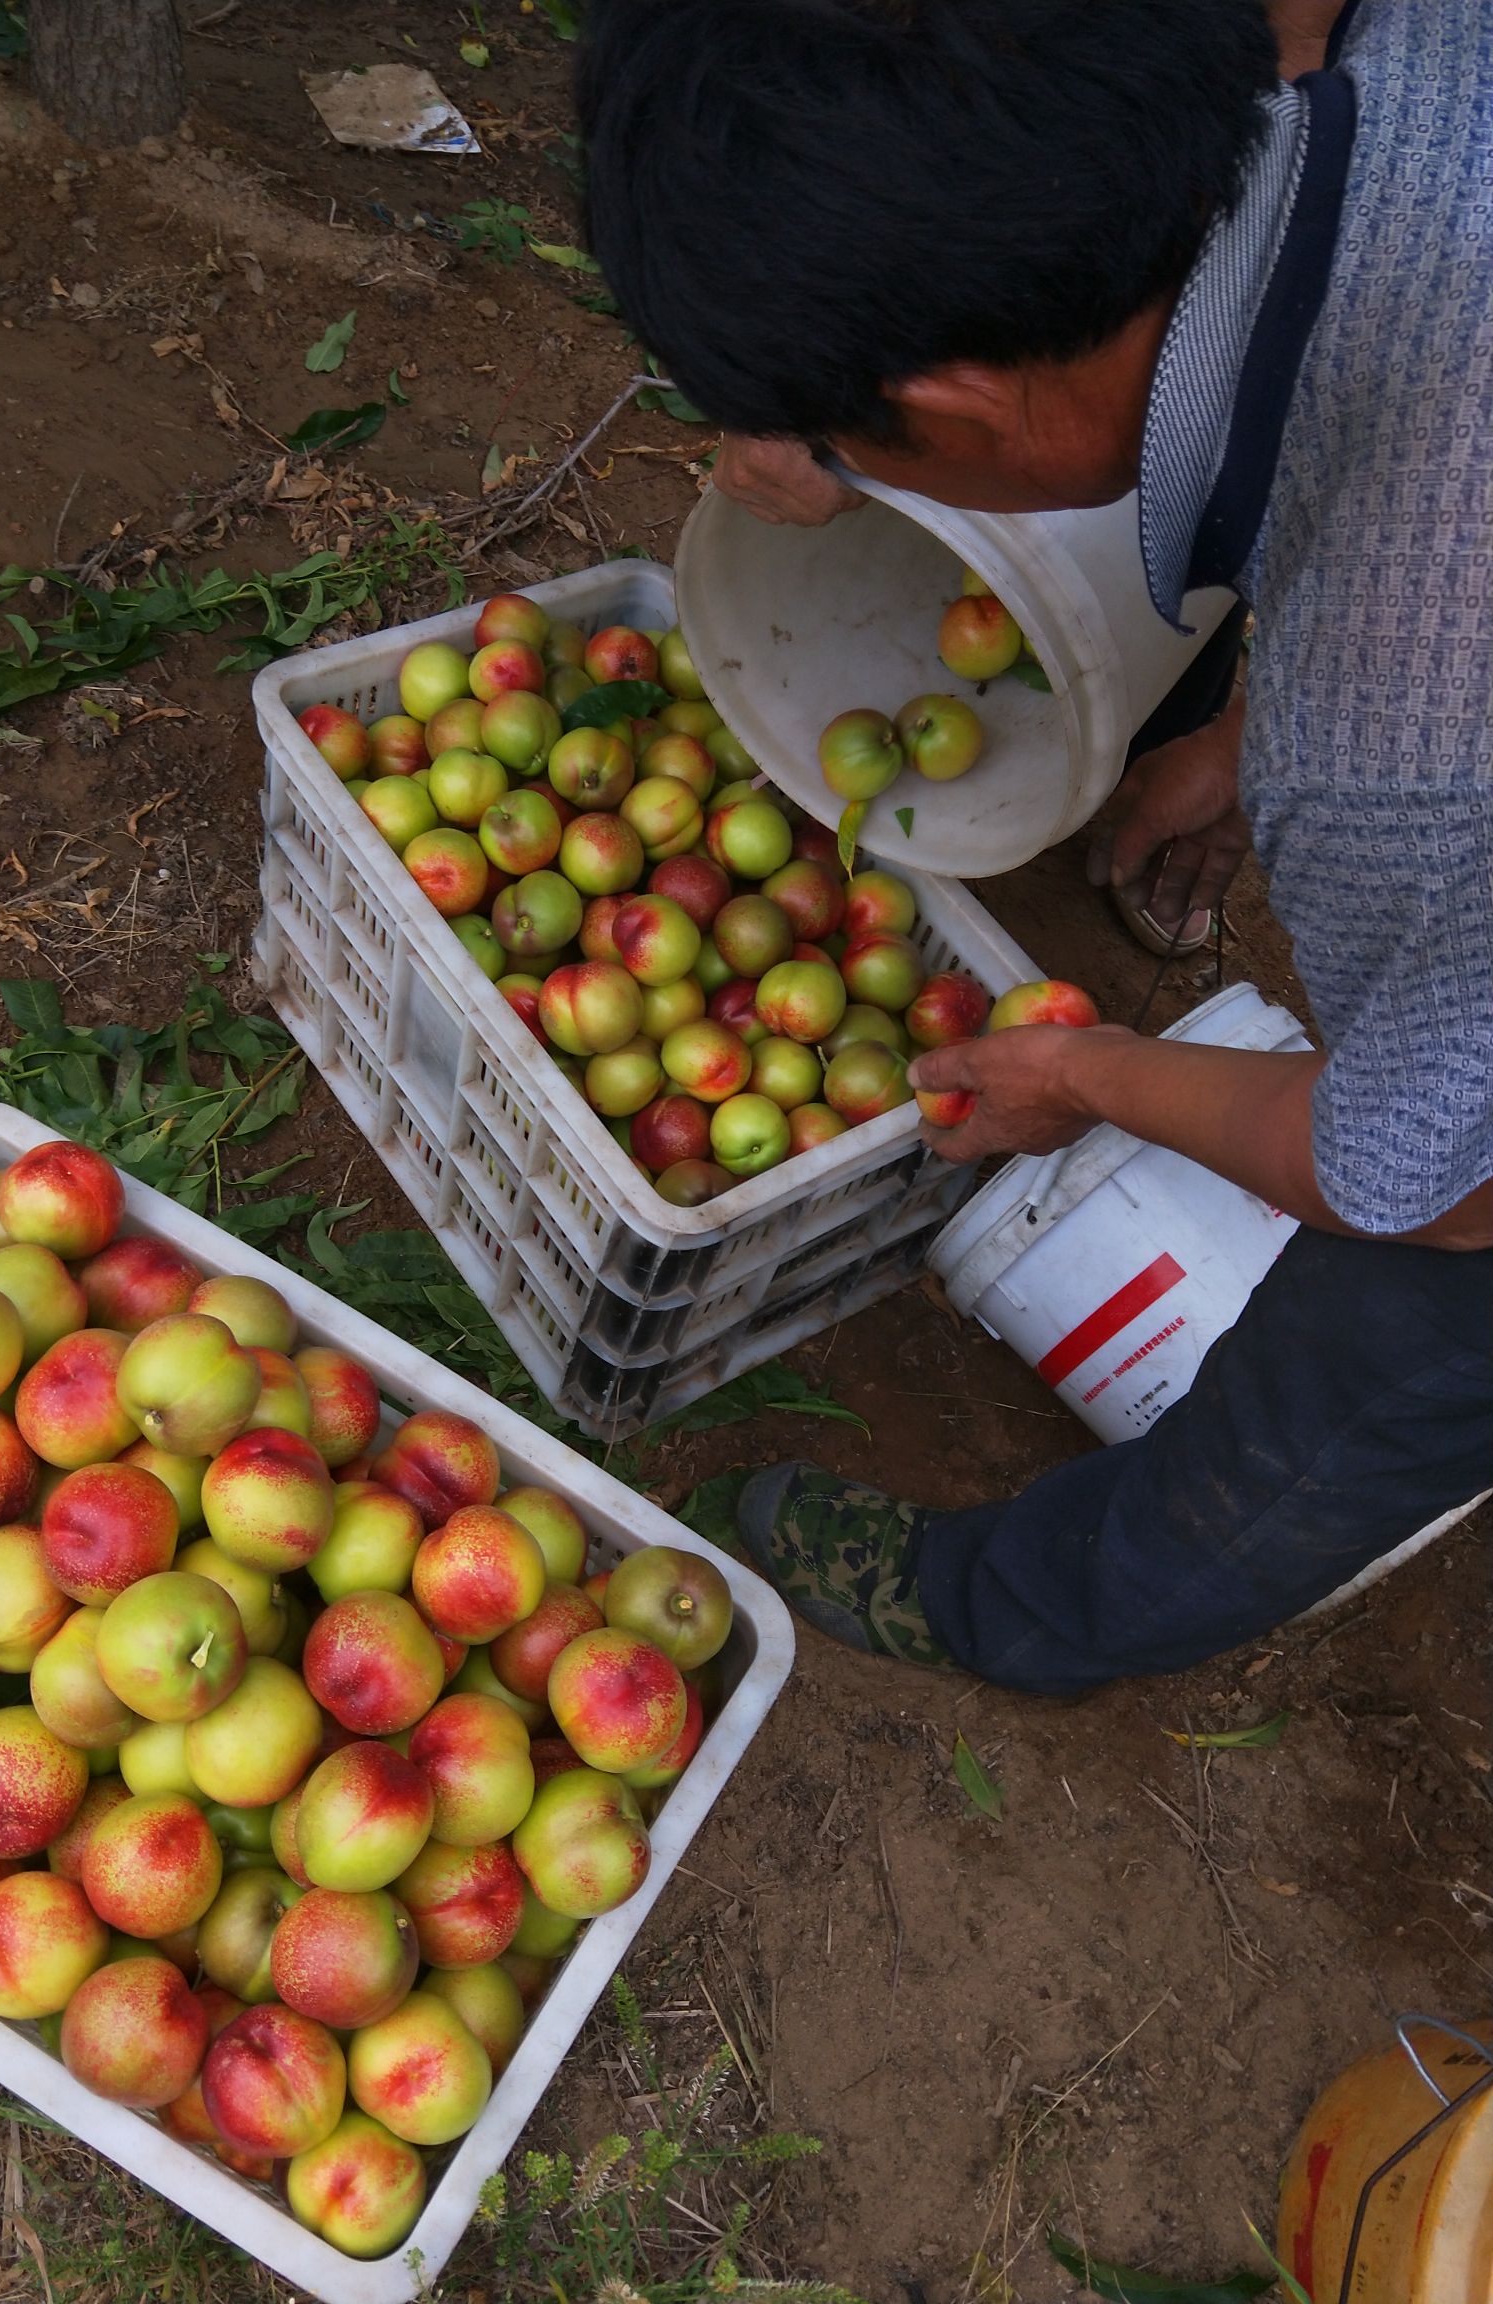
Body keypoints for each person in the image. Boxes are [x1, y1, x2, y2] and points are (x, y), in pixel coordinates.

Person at [577, 0, 1493, 1692]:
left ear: (958, 398)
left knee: (1376, 1369)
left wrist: (1082, 1082)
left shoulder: (1407, 759)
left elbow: (1432, 1188)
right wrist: (1242, 730)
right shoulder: (1409, 54)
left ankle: (1027, 1613)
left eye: (850, 447)